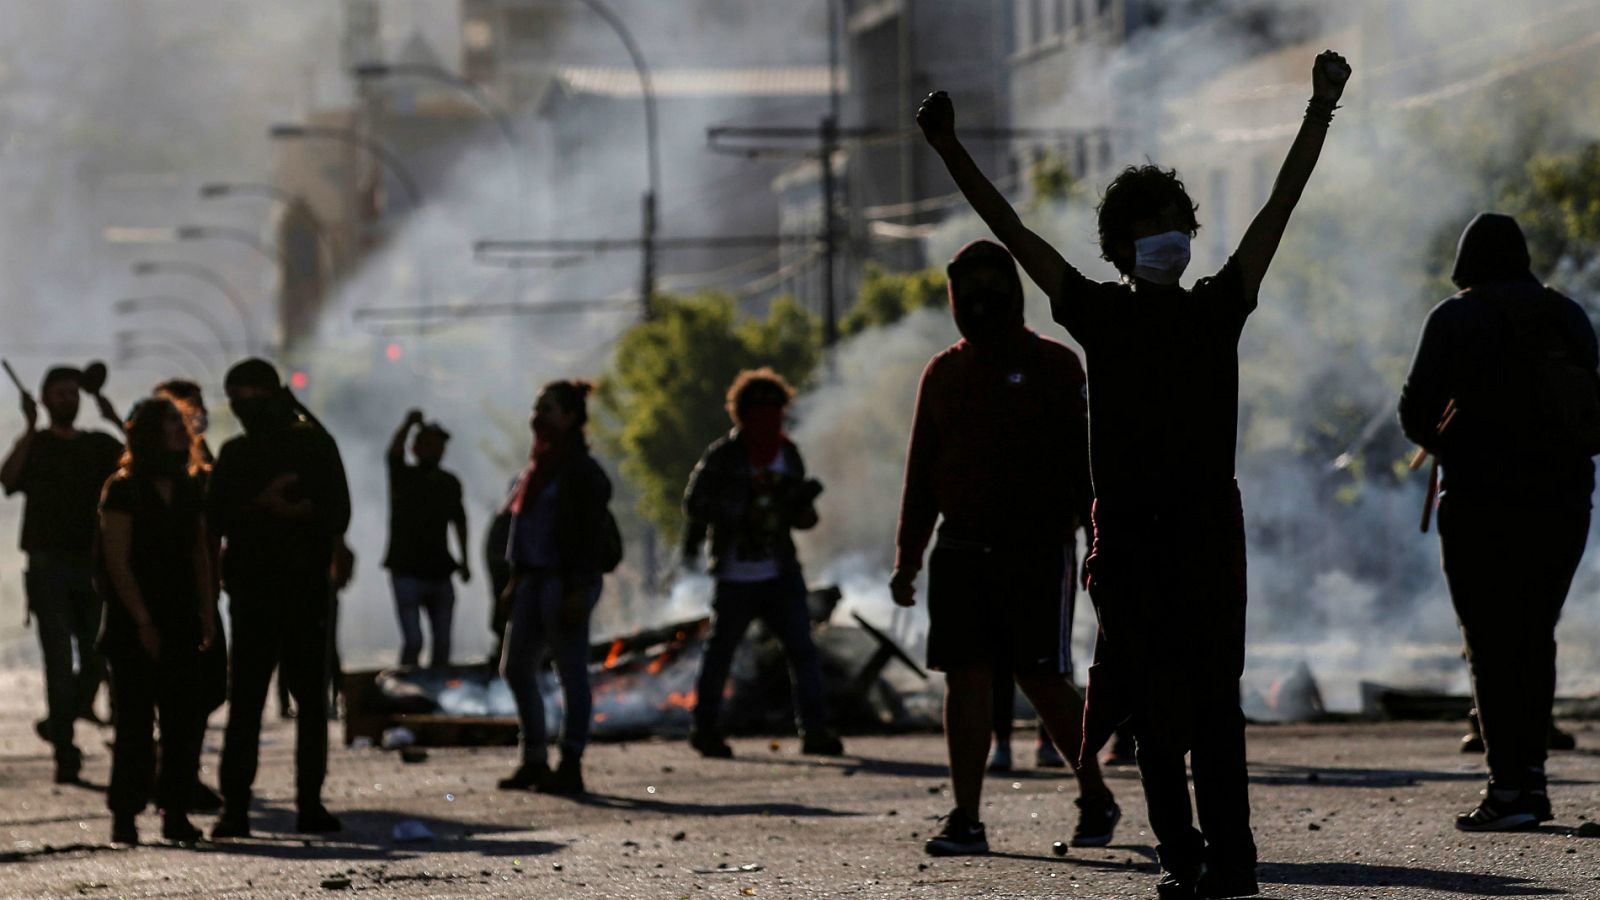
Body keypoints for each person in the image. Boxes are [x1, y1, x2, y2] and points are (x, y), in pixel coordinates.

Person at [916, 50, 1350, 897]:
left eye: (1177, 221)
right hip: (1140, 538)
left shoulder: (1215, 305)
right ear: (1120, 246)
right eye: (1153, 225)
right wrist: (949, 150)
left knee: (1203, 706)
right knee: (1158, 712)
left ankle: (1225, 862)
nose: (1170, 235)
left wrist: (1319, 110)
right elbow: (1012, 230)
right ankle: (1188, 857)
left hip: (1198, 532)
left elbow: (1280, 203)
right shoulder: (1107, 311)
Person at [890, 240, 1115, 856]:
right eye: (969, 292)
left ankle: (1094, 794)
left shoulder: (1057, 365)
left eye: (993, 287)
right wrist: (908, 559)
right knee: (965, 682)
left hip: (1037, 550)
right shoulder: (943, 374)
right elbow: (922, 474)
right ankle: (966, 818)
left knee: (1042, 679)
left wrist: (1098, 543)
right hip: (961, 550)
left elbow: (1086, 468)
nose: (981, 301)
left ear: (1015, 292)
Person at [1400, 213, 1597, 831]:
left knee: (1489, 643)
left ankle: (1510, 790)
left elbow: (1414, 412)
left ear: (1467, 263)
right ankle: (1531, 780)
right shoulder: (1567, 314)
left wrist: (1451, 441)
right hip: (1564, 502)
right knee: (1535, 635)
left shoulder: (1455, 317)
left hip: (1481, 504)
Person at [206, 359, 350, 839]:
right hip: (263, 593)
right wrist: (267, 505)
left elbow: (337, 512)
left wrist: (289, 510)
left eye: (248, 397)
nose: (243, 408)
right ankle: (245, 808)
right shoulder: (247, 452)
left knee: (291, 704)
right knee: (259, 704)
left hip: (295, 592)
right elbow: (215, 517)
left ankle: (292, 805)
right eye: (236, 399)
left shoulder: (307, 446)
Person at [683, 369, 841, 759]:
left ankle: (815, 731)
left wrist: (801, 513)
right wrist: (742, 514)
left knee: (802, 652)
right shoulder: (723, 456)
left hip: (780, 572)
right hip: (735, 575)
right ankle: (705, 729)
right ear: (742, 414)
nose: (770, 421)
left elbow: (800, 515)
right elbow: (695, 504)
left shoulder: (788, 455)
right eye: (761, 412)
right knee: (721, 654)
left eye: (776, 412)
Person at [98, 397, 216, 846]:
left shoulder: (187, 486)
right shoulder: (123, 489)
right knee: (133, 723)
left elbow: (198, 554)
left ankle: (175, 811)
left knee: (182, 721)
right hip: (132, 621)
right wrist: (143, 621)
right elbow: (117, 562)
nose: (181, 432)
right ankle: (125, 813)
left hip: (181, 616)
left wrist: (208, 612)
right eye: (171, 424)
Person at [1, 366, 123, 784]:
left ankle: (60, 722)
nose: (68, 399)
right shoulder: (36, 445)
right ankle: (65, 753)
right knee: (57, 661)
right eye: (60, 393)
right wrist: (28, 427)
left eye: (73, 393)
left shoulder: (97, 444)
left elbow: (139, 464)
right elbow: (7, 478)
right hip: (47, 566)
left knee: (96, 658)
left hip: (92, 566)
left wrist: (112, 415)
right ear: (45, 399)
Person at [496, 381, 613, 795]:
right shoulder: (536, 470)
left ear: (570, 416)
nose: (537, 417)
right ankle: (533, 759)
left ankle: (571, 761)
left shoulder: (583, 472)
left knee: (570, 672)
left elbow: (590, 537)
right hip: (534, 580)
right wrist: (514, 581)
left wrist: (578, 589)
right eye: (537, 408)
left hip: (566, 582)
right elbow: (523, 531)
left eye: (547, 409)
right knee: (516, 668)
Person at [152, 379, 224, 811]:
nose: (196, 420)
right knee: (181, 693)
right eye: (185, 413)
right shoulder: (148, 476)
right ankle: (173, 777)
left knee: (208, 689)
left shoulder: (200, 461)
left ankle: (175, 771)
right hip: (172, 595)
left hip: (203, 591)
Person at [383, 409, 469, 668]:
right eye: (430, 445)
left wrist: (465, 560)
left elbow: (460, 522)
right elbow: (393, 454)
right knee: (414, 642)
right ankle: (405, 685)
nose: (436, 451)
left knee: (443, 645)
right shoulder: (404, 476)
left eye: (439, 446)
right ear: (416, 448)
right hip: (406, 570)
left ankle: (436, 688)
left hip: (439, 571)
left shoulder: (449, 482)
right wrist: (408, 423)